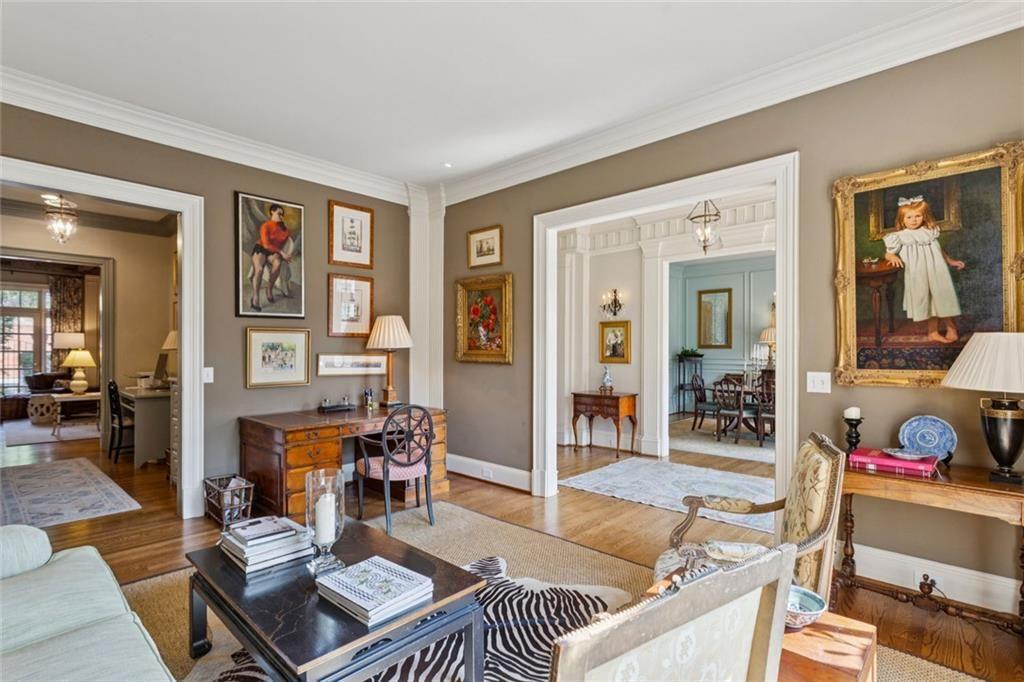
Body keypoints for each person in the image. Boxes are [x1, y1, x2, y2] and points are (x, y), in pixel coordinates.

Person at [883, 195, 965, 343]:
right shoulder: (898, 236)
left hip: (937, 269)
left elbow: (938, 250)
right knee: (927, 301)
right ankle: (932, 332)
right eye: (909, 217)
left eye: (918, 216)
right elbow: (888, 253)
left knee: (942, 297)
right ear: (902, 219)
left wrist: (950, 261)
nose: (913, 220)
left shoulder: (929, 231)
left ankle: (951, 327)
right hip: (918, 273)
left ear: (924, 216)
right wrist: (892, 257)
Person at [249, 203, 293, 311]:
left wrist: (288, 253)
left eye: (282, 214)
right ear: (272, 212)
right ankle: (255, 297)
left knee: (277, 264)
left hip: (274, 252)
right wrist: (282, 253)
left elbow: (289, 241)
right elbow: (266, 245)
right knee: (259, 269)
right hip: (261, 248)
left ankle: (269, 288)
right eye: (279, 213)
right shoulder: (266, 226)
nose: (281, 216)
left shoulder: (285, 229)